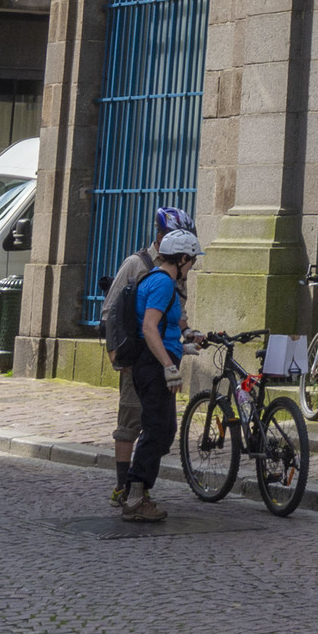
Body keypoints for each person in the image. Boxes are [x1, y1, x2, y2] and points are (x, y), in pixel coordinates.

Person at [101, 205, 195, 506]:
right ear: (161, 236)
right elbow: (111, 313)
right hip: (138, 358)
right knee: (131, 422)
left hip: (159, 356)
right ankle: (124, 488)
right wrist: (118, 356)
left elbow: (172, 309)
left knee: (160, 426)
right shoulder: (137, 264)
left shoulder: (176, 271)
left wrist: (187, 334)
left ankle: (138, 485)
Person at [120, 226, 203, 523]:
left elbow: (166, 325)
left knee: (163, 429)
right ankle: (135, 496)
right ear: (181, 259)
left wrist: (185, 341)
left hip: (155, 362)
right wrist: (168, 366)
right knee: (157, 430)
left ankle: (137, 492)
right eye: (192, 261)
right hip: (153, 366)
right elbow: (149, 327)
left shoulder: (160, 280)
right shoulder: (164, 284)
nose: (192, 267)